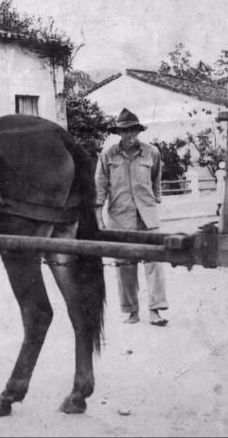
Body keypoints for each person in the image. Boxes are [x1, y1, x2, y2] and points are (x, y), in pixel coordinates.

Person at [94, 108, 169, 326]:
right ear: (119, 133)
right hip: (119, 218)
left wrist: (154, 200)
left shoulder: (151, 152)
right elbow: (100, 187)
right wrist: (99, 218)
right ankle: (131, 310)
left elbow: (156, 178)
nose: (130, 136)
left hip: (147, 217)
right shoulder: (108, 155)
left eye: (133, 131)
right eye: (125, 132)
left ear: (138, 131)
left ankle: (156, 311)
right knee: (124, 264)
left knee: (154, 260)